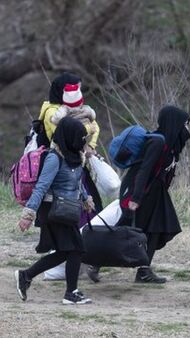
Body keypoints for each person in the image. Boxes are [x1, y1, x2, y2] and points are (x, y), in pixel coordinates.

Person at [14, 117, 95, 304]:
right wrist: (28, 215)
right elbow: (41, 187)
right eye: (79, 138)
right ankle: (71, 293)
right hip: (53, 210)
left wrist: (85, 199)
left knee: (64, 251)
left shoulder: (75, 156)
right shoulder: (54, 158)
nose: (82, 142)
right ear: (68, 137)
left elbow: (76, 182)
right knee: (76, 249)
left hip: (67, 209)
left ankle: (25, 276)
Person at [38, 73, 104, 282]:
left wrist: (90, 145)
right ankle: (64, 274)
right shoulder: (52, 112)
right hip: (64, 169)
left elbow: (93, 127)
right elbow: (65, 133)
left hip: (77, 165)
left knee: (87, 213)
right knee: (70, 223)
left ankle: (78, 265)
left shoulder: (76, 109)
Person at [117, 105, 190, 283]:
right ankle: (95, 262)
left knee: (157, 228)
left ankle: (143, 270)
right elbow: (143, 171)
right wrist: (135, 198)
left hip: (156, 192)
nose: (188, 129)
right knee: (129, 231)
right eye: (186, 124)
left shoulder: (171, 145)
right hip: (142, 191)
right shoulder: (157, 142)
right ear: (175, 124)